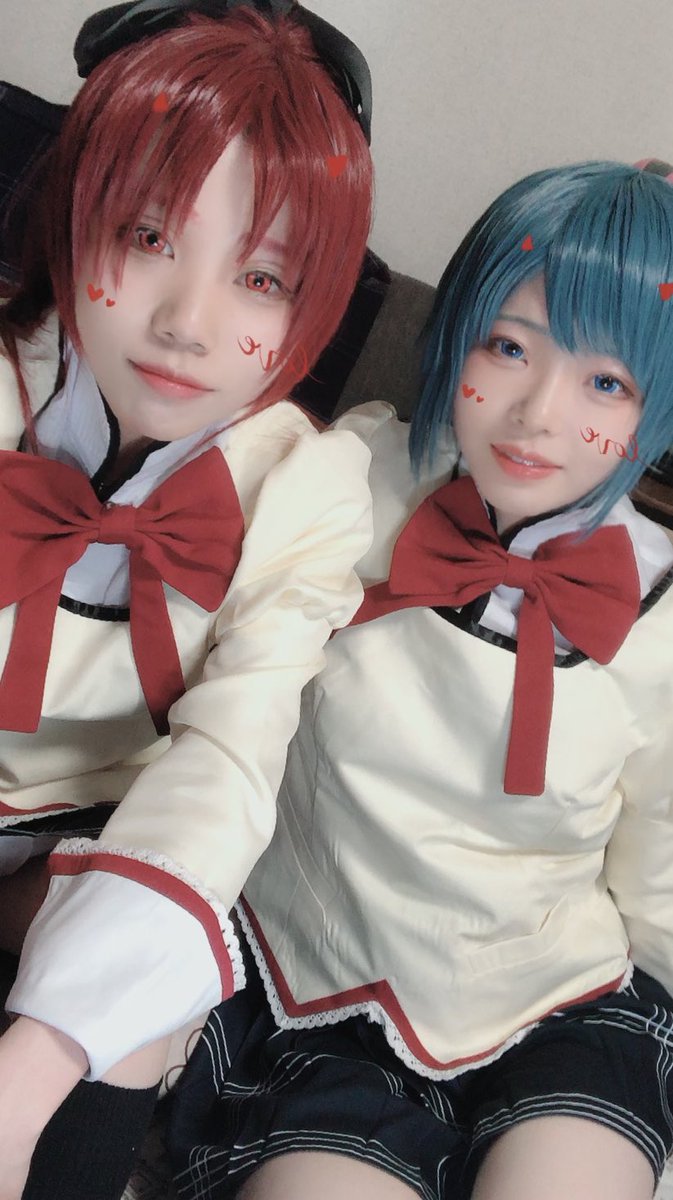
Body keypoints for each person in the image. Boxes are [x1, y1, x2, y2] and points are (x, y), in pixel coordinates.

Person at [169, 161, 673, 1200]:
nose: (537, 414)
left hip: (554, 1001)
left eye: (606, 384)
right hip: (313, 981)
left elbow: (658, 877)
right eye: (508, 348)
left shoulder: (661, 617)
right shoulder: (352, 478)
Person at [0, 2, 374, 1197]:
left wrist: (29, 1074)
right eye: (149, 236)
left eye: (260, 276)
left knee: (129, 1010)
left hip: (95, 839)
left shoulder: (303, 485)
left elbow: (229, 760)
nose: (186, 324)